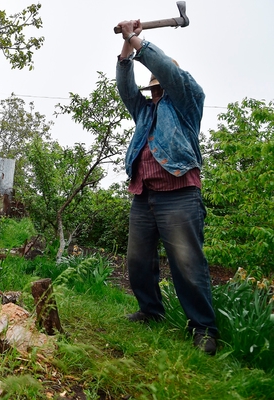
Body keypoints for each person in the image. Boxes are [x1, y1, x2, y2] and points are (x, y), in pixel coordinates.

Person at [115, 20, 218, 355]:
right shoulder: (145, 112)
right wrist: (125, 51)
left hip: (179, 196)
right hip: (143, 196)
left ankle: (203, 327)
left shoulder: (188, 103)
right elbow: (126, 89)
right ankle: (151, 311)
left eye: (160, 85)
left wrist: (136, 38)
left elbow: (167, 71)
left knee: (187, 263)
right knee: (138, 260)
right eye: (154, 87)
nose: (157, 90)